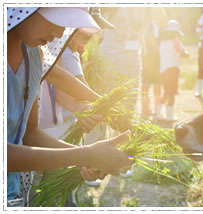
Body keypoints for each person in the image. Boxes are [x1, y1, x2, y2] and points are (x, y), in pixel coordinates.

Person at [7, 7, 132, 206]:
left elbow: (30, 133)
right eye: (55, 21)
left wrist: (88, 158)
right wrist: (86, 154)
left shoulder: (34, 57)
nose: (58, 33)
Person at [156, 19, 188, 122]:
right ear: (175, 32)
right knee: (172, 93)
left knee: (166, 92)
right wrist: (187, 54)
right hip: (173, 70)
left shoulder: (162, 43)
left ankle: (159, 114)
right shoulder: (176, 41)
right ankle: (169, 116)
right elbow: (183, 53)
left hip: (163, 70)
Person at [141, 8, 168, 116]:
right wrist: (158, 50)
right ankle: (145, 108)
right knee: (146, 84)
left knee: (157, 84)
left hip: (157, 59)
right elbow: (149, 40)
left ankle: (158, 108)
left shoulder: (161, 27)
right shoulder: (148, 24)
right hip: (148, 58)